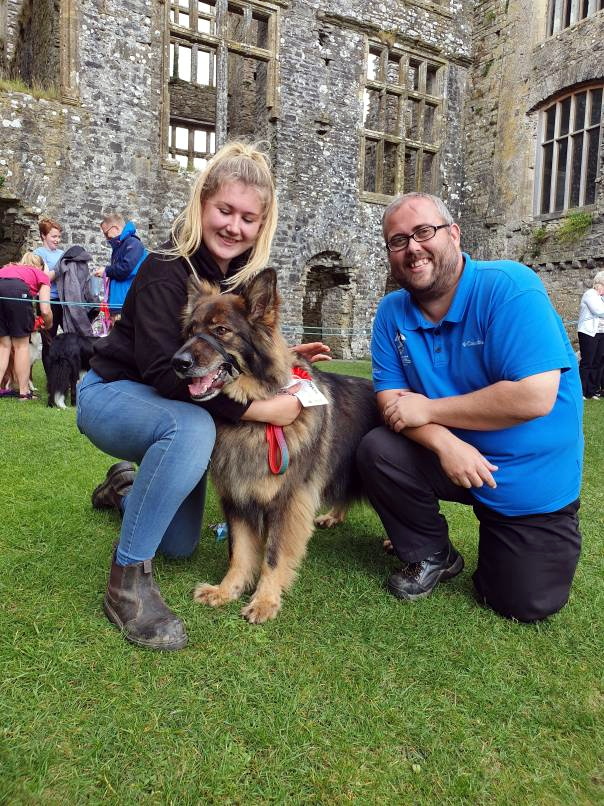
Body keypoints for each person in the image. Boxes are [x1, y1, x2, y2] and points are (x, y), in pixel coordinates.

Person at [77, 141, 330, 651]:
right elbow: (165, 373)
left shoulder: (236, 278)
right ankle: (127, 585)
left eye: (249, 218)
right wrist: (264, 407)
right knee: (192, 426)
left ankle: (127, 487)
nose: (234, 226)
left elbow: (225, 347)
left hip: (168, 403)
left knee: (180, 543)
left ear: (263, 224)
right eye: (225, 210)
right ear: (201, 204)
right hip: (112, 393)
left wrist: (272, 356)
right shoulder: (165, 270)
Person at [357, 192, 583, 623]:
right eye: (398, 241)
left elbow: (534, 396)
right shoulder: (391, 313)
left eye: (424, 232)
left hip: (526, 480)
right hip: (454, 460)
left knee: (523, 603)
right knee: (377, 449)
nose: (412, 248)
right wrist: (445, 444)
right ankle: (432, 552)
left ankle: (528, 537)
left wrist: (430, 411)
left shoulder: (509, 287)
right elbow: (390, 401)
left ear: (454, 234)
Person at [0, 252, 53, 399]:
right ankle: (24, 392)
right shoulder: (41, 275)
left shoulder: (9, 267)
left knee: (3, 346)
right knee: (21, 345)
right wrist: (48, 324)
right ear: (41, 267)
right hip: (17, 291)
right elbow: (45, 309)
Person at [94, 214, 147, 324]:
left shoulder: (133, 244)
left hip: (126, 305)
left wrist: (106, 271)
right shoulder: (121, 246)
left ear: (115, 228)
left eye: (106, 233)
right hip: (118, 304)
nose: (106, 237)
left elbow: (125, 269)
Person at [33, 217, 64, 374]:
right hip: (46, 302)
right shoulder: (37, 254)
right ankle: (51, 377)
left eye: (59, 236)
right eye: (54, 236)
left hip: (63, 301)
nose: (57, 240)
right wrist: (59, 269)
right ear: (43, 235)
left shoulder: (62, 253)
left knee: (70, 339)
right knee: (48, 341)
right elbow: (43, 278)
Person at [576, 271, 604, 400]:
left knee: (597, 362)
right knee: (587, 362)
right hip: (588, 332)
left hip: (600, 332)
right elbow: (598, 311)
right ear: (599, 284)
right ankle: (582, 390)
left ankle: (592, 391)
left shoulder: (601, 297)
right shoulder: (590, 294)